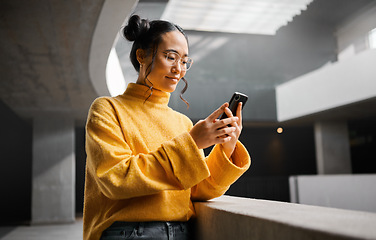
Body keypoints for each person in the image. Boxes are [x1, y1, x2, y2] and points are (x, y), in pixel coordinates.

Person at [83, 15, 251, 240]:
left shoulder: (183, 123)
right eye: (170, 57)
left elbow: (198, 191)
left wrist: (226, 148)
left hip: (182, 232)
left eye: (184, 61)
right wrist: (192, 143)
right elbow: (116, 179)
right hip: (126, 233)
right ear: (141, 56)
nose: (179, 69)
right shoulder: (107, 109)